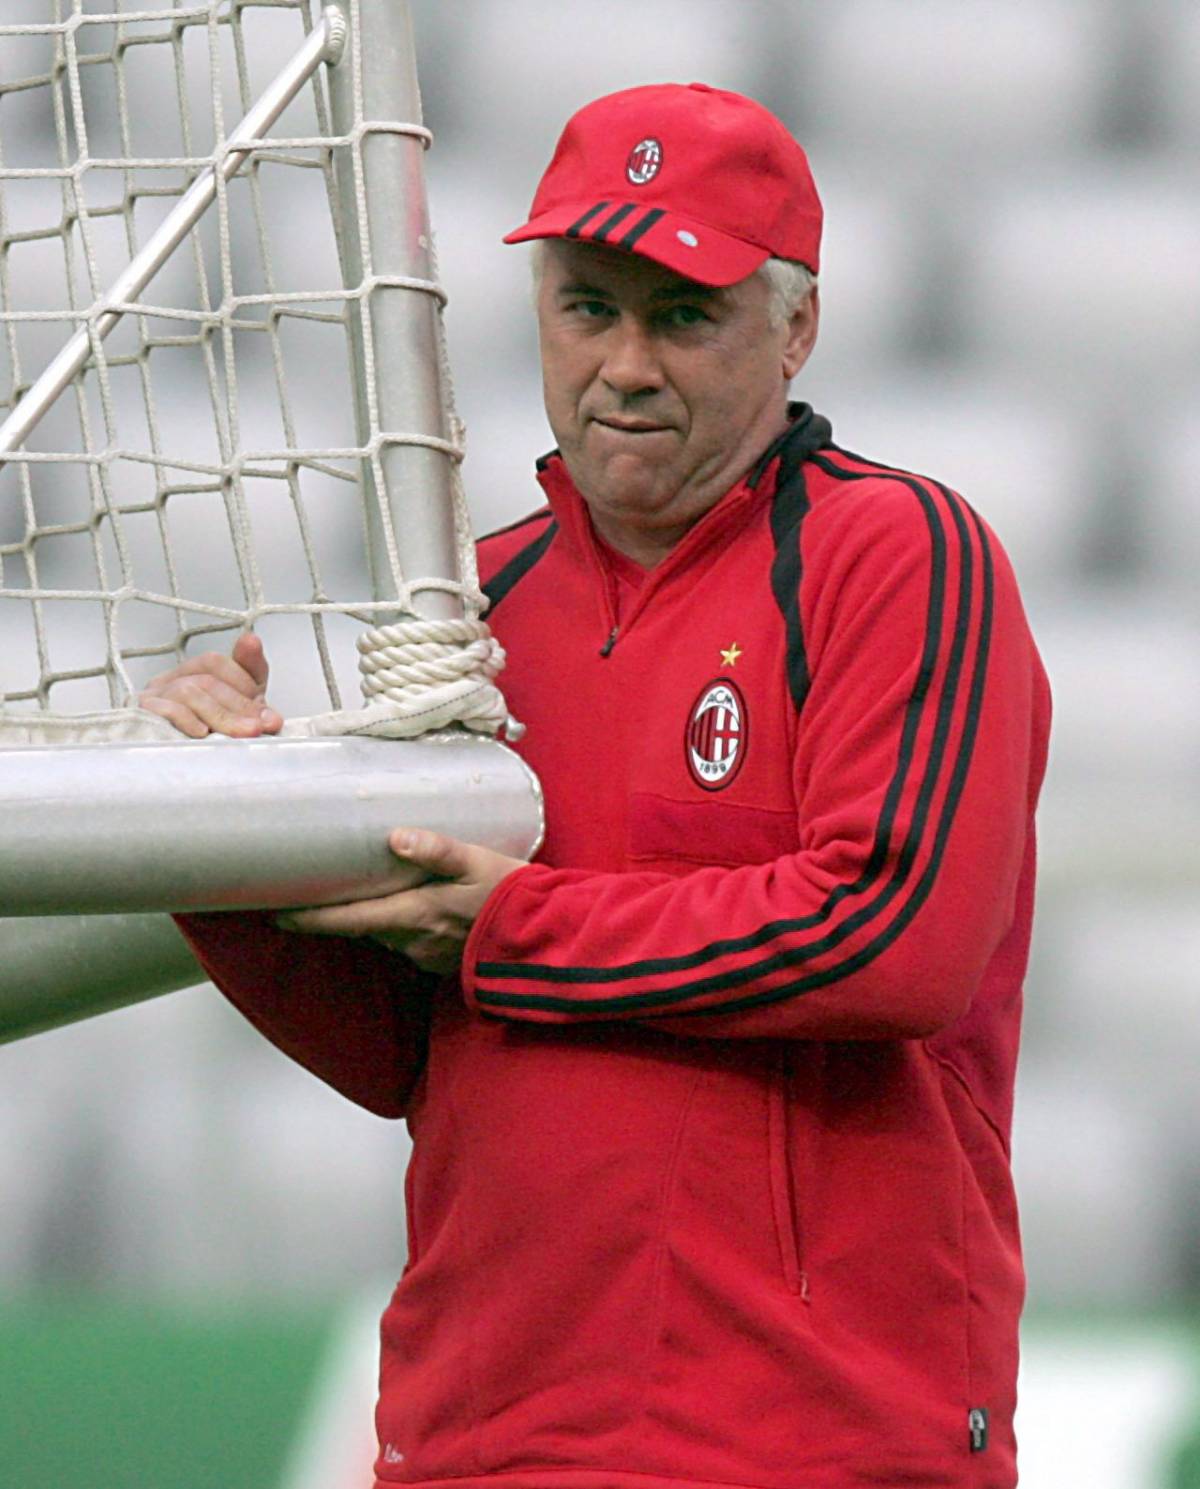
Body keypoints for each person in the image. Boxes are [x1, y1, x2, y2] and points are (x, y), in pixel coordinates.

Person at [148, 83, 1051, 1489]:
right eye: (588, 308)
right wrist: (216, 853)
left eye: (682, 316)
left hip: (813, 1440)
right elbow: (411, 1052)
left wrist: (515, 926)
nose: (625, 366)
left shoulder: (903, 553)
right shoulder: (468, 605)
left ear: (797, 328)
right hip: (483, 1432)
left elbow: (893, 937)